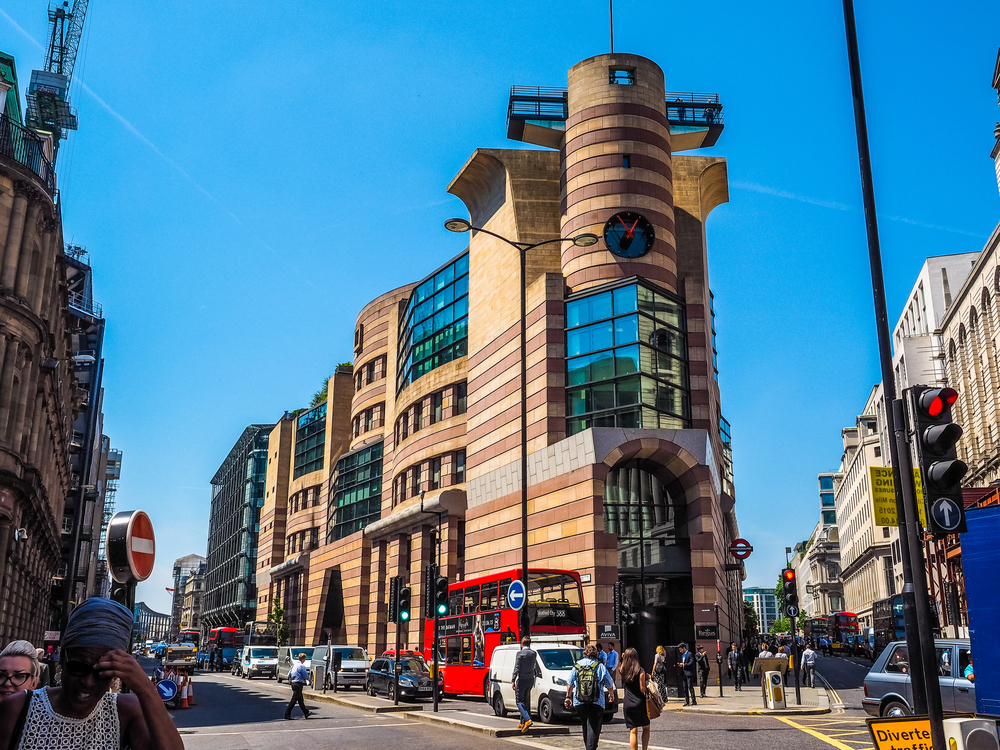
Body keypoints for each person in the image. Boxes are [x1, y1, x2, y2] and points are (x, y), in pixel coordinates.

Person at [0, 598, 183, 750]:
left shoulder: (123, 712)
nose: (88, 682)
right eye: (79, 667)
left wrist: (145, 689)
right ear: (62, 659)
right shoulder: (18, 708)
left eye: (102, 672)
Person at [565, 644, 616, 750]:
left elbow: (569, 683)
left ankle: (588, 746)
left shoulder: (577, 666)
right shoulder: (600, 666)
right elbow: (609, 683)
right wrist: (611, 694)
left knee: (585, 724)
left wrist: (568, 697)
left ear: (584, 653)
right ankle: (591, 747)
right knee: (594, 727)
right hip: (596, 702)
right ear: (596, 654)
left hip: (580, 702)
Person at [620, 648, 650, 750]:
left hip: (628, 702)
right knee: (646, 727)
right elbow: (642, 689)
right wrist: (648, 680)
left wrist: (623, 657)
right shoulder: (640, 670)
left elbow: (622, 662)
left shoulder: (622, 670)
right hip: (639, 703)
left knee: (633, 730)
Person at [511, 636, 537, 732]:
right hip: (530, 679)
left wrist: (513, 680)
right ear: (529, 644)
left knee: (519, 701)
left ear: (522, 644)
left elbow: (517, 668)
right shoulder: (533, 654)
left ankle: (527, 719)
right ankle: (522, 723)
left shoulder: (520, 654)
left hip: (522, 679)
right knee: (525, 700)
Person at [285, 652, 311, 720]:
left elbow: (289, 674)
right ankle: (287, 714)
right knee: (293, 700)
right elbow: (305, 674)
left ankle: (306, 712)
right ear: (303, 659)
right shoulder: (302, 666)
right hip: (298, 683)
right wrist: (308, 679)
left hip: (293, 683)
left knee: (300, 700)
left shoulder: (294, 665)